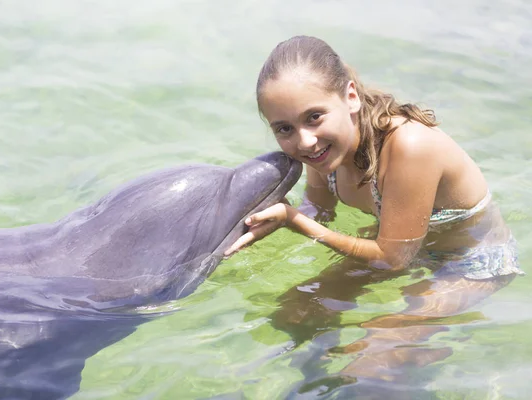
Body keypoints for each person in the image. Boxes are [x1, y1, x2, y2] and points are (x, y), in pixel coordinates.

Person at [224, 35, 523, 382]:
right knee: (296, 309)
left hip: (470, 263)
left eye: (315, 116)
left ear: (350, 97)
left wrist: (293, 221)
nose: (304, 140)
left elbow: (393, 259)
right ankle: (317, 383)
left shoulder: (410, 146)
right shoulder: (322, 152)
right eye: (285, 129)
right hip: (403, 243)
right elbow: (319, 211)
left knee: (376, 353)